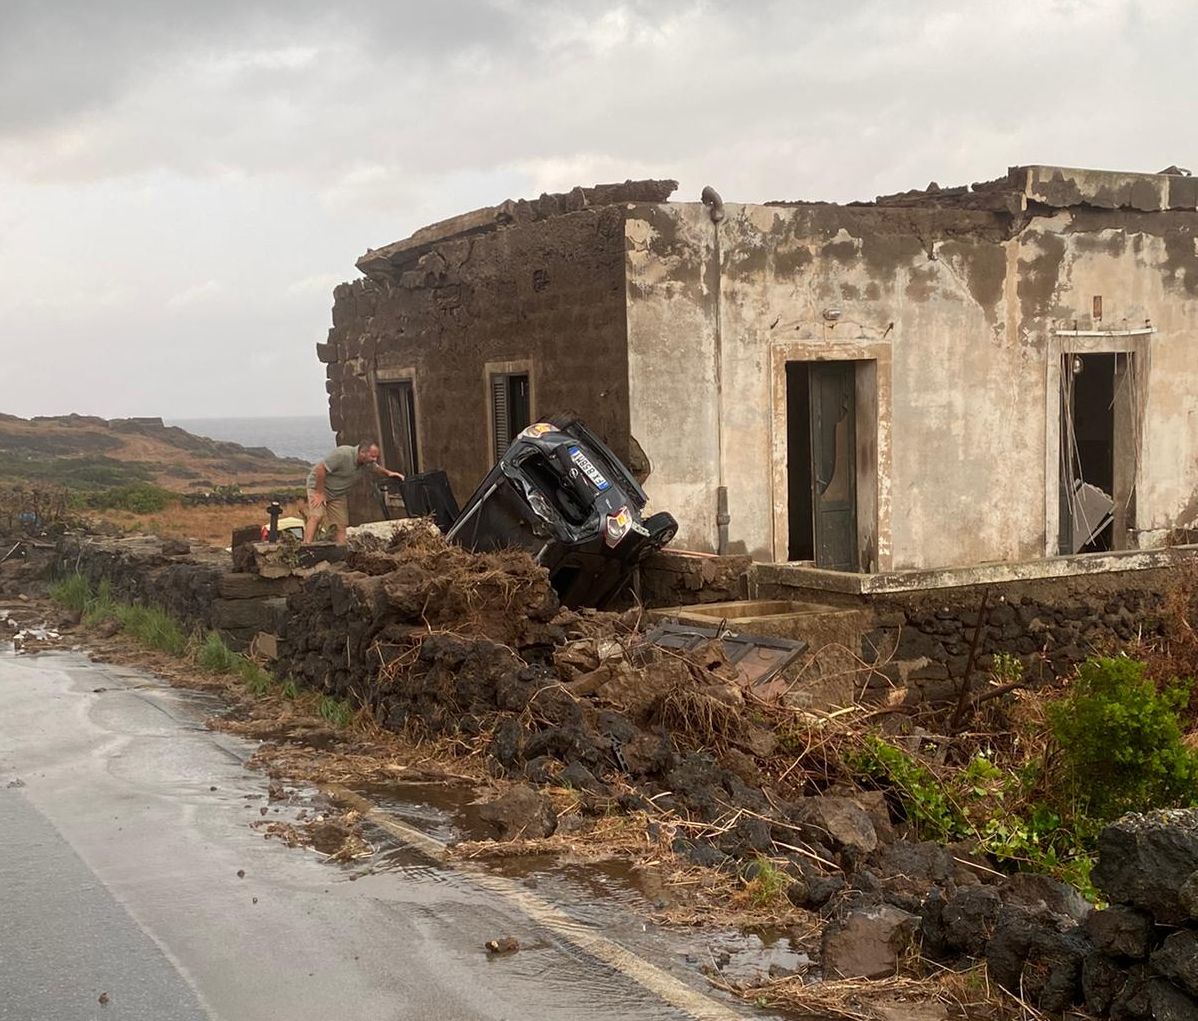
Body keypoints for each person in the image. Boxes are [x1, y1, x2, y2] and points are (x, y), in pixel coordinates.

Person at [304, 440, 403, 545]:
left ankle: (340, 551)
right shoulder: (342, 454)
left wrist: (389, 473)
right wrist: (319, 493)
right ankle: (306, 547)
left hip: (338, 493)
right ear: (362, 453)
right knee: (317, 516)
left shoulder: (367, 463)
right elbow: (320, 469)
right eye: (373, 456)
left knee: (341, 524)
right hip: (319, 487)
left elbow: (376, 468)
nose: (375, 459)